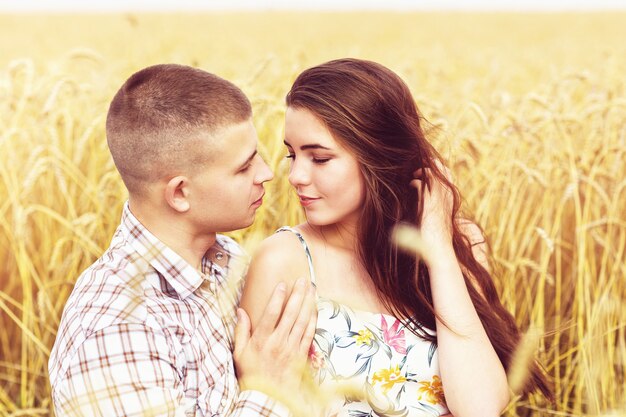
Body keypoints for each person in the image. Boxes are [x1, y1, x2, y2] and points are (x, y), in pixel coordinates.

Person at [240, 58, 552, 417]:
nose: (295, 175)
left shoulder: (461, 243)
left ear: (379, 158)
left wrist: (437, 249)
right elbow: (261, 399)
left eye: (320, 159)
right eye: (292, 155)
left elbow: (480, 407)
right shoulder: (284, 260)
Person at [48, 64, 317, 416]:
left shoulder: (230, 262)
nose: (266, 174)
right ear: (179, 194)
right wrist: (269, 393)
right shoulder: (117, 327)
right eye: (243, 167)